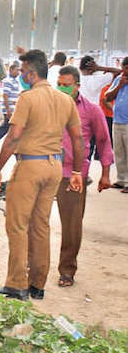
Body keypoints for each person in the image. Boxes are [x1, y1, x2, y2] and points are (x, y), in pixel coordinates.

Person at [0, 49, 83, 301]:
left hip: (30, 166)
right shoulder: (65, 100)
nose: (21, 76)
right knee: (40, 226)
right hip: (53, 167)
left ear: (31, 74)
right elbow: (77, 138)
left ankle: (16, 283)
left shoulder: (27, 98)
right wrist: (76, 171)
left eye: (22, 72)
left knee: (18, 225)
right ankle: (37, 284)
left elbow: (14, 136)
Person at [55, 66, 113, 288]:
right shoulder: (51, 106)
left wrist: (106, 174)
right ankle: (32, 263)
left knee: (71, 225)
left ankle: (67, 270)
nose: (62, 87)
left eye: (66, 83)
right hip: (47, 169)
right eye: (59, 83)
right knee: (34, 219)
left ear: (77, 85)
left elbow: (104, 141)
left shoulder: (91, 110)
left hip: (73, 174)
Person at [104, 57, 128, 192]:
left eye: (127, 68)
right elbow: (107, 97)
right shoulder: (119, 79)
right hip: (117, 120)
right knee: (119, 152)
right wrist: (120, 86)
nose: (124, 71)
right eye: (124, 68)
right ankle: (121, 180)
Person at [0, 61, 21, 146]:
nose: (18, 72)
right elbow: (5, 95)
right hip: (10, 111)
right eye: (16, 70)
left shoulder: (15, 81)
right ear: (11, 70)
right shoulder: (8, 81)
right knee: (4, 129)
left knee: (5, 129)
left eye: (19, 71)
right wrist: (8, 111)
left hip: (13, 110)